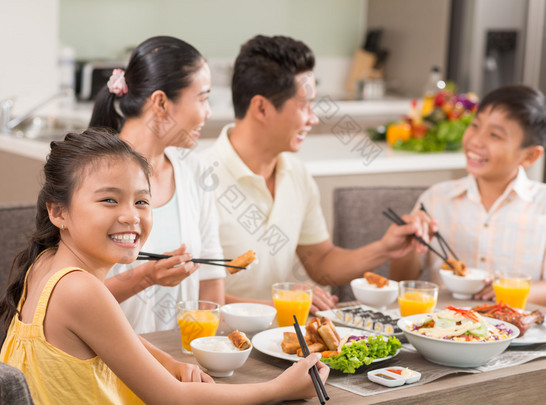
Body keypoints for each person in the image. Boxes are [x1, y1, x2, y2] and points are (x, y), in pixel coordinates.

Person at [0, 129, 329, 404]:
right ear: (58, 212)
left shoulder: (46, 263)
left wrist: (171, 364)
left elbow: (118, 335)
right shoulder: (80, 290)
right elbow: (173, 399)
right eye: (108, 200)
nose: (130, 216)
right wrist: (279, 389)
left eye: (142, 201)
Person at [200, 35, 429, 311]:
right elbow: (191, 298)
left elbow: (321, 263)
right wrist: (280, 304)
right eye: (304, 105)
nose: (313, 118)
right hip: (215, 345)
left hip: (279, 339)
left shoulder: (296, 174)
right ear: (261, 108)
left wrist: (384, 248)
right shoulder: (198, 180)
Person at [90, 36, 224, 333]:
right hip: (109, 368)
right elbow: (69, 299)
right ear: (161, 102)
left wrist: (202, 355)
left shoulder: (193, 170)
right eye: (202, 98)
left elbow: (211, 280)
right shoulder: (93, 174)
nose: (208, 112)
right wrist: (146, 276)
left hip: (183, 364)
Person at [389, 85, 546, 305]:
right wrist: (411, 241)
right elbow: (399, 280)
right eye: (475, 125)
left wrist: (509, 291)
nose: (476, 141)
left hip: (520, 334)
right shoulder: (437, 198)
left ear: (530, 156)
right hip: (443, 330)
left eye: (495, 135)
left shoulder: (542, 206)